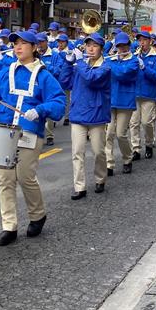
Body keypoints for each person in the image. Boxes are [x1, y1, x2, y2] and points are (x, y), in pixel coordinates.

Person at [0, 31, 65, 246]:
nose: (18, 47)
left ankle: (37, 215)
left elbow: (59, 103)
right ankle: (9, 226)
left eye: (23, 43)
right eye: (16, 43)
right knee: (5, 179)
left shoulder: (44, 76)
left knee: (25, 176)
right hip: (3, 131)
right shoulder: (5, 72)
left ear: (34, 48)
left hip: (29, 133)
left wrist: (41, 110)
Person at [59, 32, 111, 200]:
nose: (90, 49)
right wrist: (68, 63)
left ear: (101, 49)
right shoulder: (79, 66)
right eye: (88, 45)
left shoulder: (106, 67)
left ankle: (100, 178)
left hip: (97, 115)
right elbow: (64, 82)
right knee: (77, 152)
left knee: (98, 152)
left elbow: (91, 78)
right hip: (78, 113)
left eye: (94, 46)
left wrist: (79, 61)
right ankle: (79, 186)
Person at [105, 32, 139, 175]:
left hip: (125, 101)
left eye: (124, 45)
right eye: (119, 46)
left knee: (120, 134)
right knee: (108, 134)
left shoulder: (134, 61)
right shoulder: (111, 59)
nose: (122, 48)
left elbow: (122, 74)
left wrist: (109, 64)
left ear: (129, 45)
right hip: (110, 100)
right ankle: (109, 164)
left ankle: (127, 158)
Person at [129, 31, 156, 160]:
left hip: (149, 94)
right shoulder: (134, 55)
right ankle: (135, 149)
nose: (141, 43)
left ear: (150, 41)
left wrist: (144, 68)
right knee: (133, 123)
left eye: (144, 40)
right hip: (135, 94)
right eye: (140, 40)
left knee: (146, 122)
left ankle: (148, 144)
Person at [36, 32, 61, 146]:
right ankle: (37, 134)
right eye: (38, 42)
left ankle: (50, 135)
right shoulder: (34, 54)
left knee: (48, 112)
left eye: (42, 42)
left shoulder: (54, 55)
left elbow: (58, 70)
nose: (39, 44)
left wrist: (46, 66)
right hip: (37, 86)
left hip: (49, 87)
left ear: (46, 42)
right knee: (37, 110)